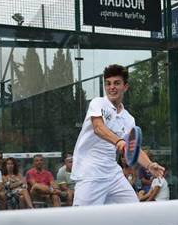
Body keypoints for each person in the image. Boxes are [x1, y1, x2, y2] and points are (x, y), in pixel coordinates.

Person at [70, 64, 164, 206]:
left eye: (116, 83)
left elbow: (133, 148)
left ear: (125, 87)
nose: (111, 87)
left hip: (113, 174)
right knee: (82, 223)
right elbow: (98, 128)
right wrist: (119, 141)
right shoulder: (98, 103)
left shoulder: (128, 119)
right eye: (108, 84)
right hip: (90, 174)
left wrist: (149, 165)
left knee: (134, 212)